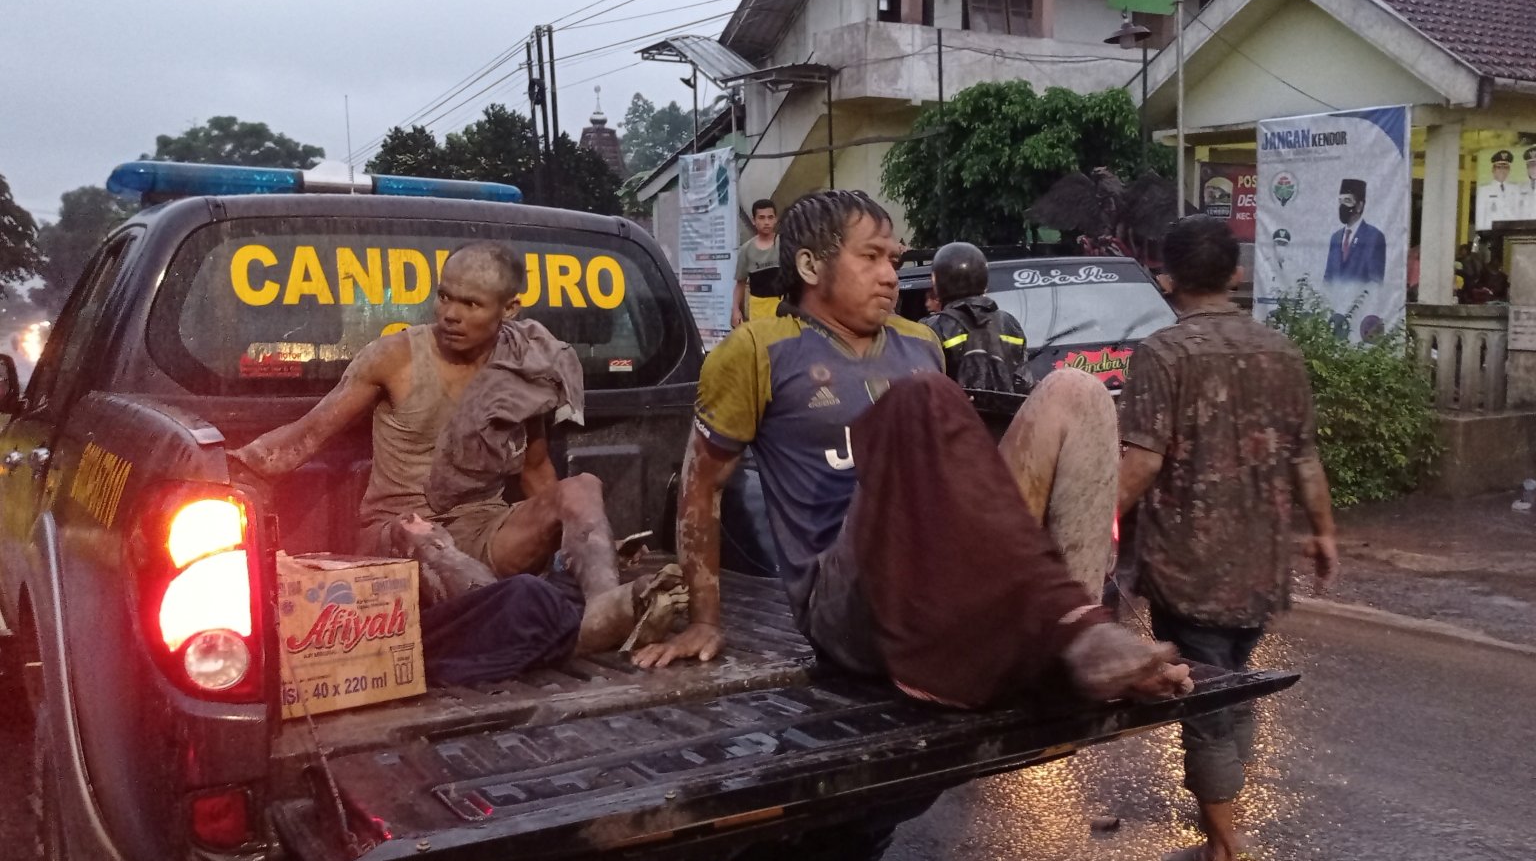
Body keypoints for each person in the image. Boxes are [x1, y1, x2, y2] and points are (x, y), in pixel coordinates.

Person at [632, 189, 1191, 710]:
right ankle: (1068, 632)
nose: (888, 276)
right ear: (809, 266)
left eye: (894, 261)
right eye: (870, 257)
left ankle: (1070, 641)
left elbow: (959, 486)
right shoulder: (755, 349)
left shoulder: (921, 341)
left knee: (1079, 392)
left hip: (943, 575)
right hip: (848, 602)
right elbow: (700, 485)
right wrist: (705, 619)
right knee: (919, 401)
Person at [232, 242, 678, 679]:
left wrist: (573, 546)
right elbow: (304, 437)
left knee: (582, 486)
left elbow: (537, 471)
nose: (450, 313)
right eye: (445, 296)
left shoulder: (524, 366)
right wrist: (230, 469)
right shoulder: (397, 357)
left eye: (471, 303)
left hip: (482, 526)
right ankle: (564, 633)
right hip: (400, 533)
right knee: (421, 533)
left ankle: (607, 609)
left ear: (509, 309)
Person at [1117, 216, 1338, 861]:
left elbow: (1142, 462)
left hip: (1191, 569)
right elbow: (1304, 456)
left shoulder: (1161, 355)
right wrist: (1324, 533)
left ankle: (1221, 859)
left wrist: (1094, 524)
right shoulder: (1281, 352)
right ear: (1236, 274)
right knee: (1235, 683)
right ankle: (1223, 825)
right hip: (1262, 563)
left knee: (1207, 704)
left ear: (1168, 279)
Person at [920, 241, 1034, 394]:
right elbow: (1024, 383)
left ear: (936, 283)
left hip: (957, 415)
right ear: (985, 281)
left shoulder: (931, 328)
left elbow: (925, 391)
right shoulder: (1009, 323)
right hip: (1006, 416)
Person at [1322, 178, 1386, 284]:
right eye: (1340, 201)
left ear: (1359, 206)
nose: (1342, 206)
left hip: (1359, 299)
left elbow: (1375, 281)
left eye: (1347, 201)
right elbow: (1328, 277)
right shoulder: (1336, 237)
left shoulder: (1373, 236)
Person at [731, 198, 781, 327]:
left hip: (784, 308)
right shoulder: (746, 250)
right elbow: (740, 284)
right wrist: (736, 310)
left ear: (776, 219)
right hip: (759, 310)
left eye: (770, 217)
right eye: (762, 218)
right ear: (754, 220)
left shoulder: (786, 244)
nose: (766, 222)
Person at [1474, 149, 1523, 232]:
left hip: (1511, 233)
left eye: (1505, 167)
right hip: (1491, 233)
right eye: (1499, 167)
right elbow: (1481, 216)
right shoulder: (1484, 191)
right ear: (1493, 170)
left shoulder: (1516, 189)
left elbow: (1520, 214)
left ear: (1509, 170)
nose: (1502, 171)